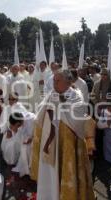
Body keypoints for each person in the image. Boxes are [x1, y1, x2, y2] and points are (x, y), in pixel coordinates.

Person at [30, 69, 95, 200]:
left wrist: (58, 104)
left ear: (68, 82)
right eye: (54, 80)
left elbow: (77, 119)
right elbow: (40, 113)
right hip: (50, 141)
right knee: (50, 173)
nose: (54, 83)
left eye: (57, 80)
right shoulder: (51, 94)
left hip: (68, 143)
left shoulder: (76, 95)